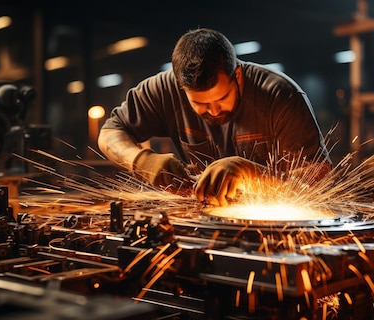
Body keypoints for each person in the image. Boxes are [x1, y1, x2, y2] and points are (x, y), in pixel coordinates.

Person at [98, 28, 332, 206]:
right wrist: (142, 161)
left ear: (237, 77)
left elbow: (317, 179)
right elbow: (109, 134)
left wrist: (252, 174)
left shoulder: (280, 95)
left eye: (221, 99)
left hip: (272, 217)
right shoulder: (163, 89)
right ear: (180, 87)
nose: (213, 110)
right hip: (205, 215)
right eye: (200, 103)